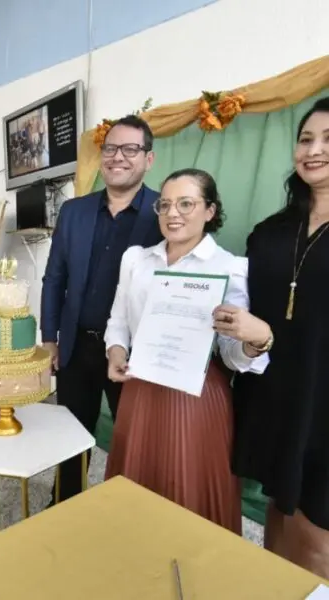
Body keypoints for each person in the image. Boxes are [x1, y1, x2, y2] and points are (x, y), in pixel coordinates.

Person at [104, 169, 272, 532]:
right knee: (135, 486)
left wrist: (251, 341)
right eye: (164, 205)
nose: (172, 213)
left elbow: (231, 354)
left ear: (210, 211)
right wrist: (116, 351)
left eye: (186, 203)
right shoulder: (136, 260)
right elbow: (118, 319)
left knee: (189, 492)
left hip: (196, 397)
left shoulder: (230, 268)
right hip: (140, 387)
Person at [41, 114, 163, 502]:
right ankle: (66, 502)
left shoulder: (165, 213)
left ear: (149, 159)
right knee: (71, 435)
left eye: (130, 149)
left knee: (136, 441)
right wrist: (49, 338)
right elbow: (54, 279)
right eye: (110, 148)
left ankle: (126, 510)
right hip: (76, 344)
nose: (117, 157)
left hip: (133, 352)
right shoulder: (74, 211)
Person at [231, 97, 329, 577]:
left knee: (316, 537)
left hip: (325, 403)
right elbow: (250, 314)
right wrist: (248, 340)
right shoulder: (270, 232)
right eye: (306, 139)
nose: (314, 150)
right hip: (273, 396)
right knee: (277, 517)